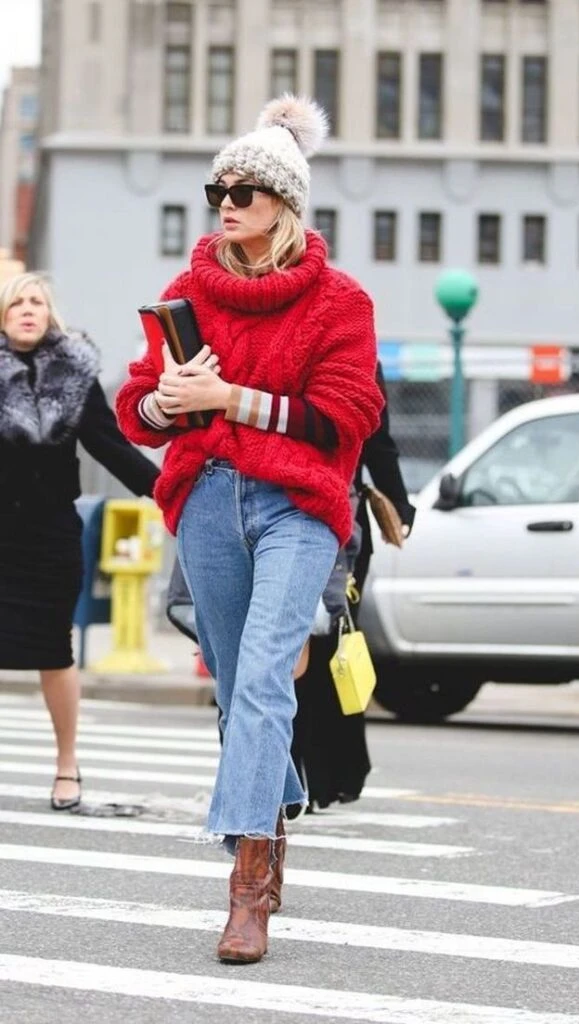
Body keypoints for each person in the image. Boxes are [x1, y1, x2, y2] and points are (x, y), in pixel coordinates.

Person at [116, 95, 383, 964]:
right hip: (205, 500)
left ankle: (249, 887)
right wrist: (167, 398)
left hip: (297, 507)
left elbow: (347, 415)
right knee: (235, 690)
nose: (226, 201)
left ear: (285, 204)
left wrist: (231, 399)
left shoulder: (339, 301)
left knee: (267, 673)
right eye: (216, 188)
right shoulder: (187, 293)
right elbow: (138, 409)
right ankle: (279, 795)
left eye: (245, 188)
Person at [0, 272, 159, 811]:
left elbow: (108, 445)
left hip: (49, 534)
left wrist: (163, 490)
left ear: (50, 313)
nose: (27, 309)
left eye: (36, 301)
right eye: (17, 301)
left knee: (53, 650)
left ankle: (67, 766)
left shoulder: (74, 373)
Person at [292, 364, 415, 809]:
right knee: (293, 650)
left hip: (346, 524)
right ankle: (295, 776)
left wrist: (398, 502)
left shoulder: (359, 352)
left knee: (337, 648)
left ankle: (336, 774)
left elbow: (378, 439)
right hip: (289, 509)